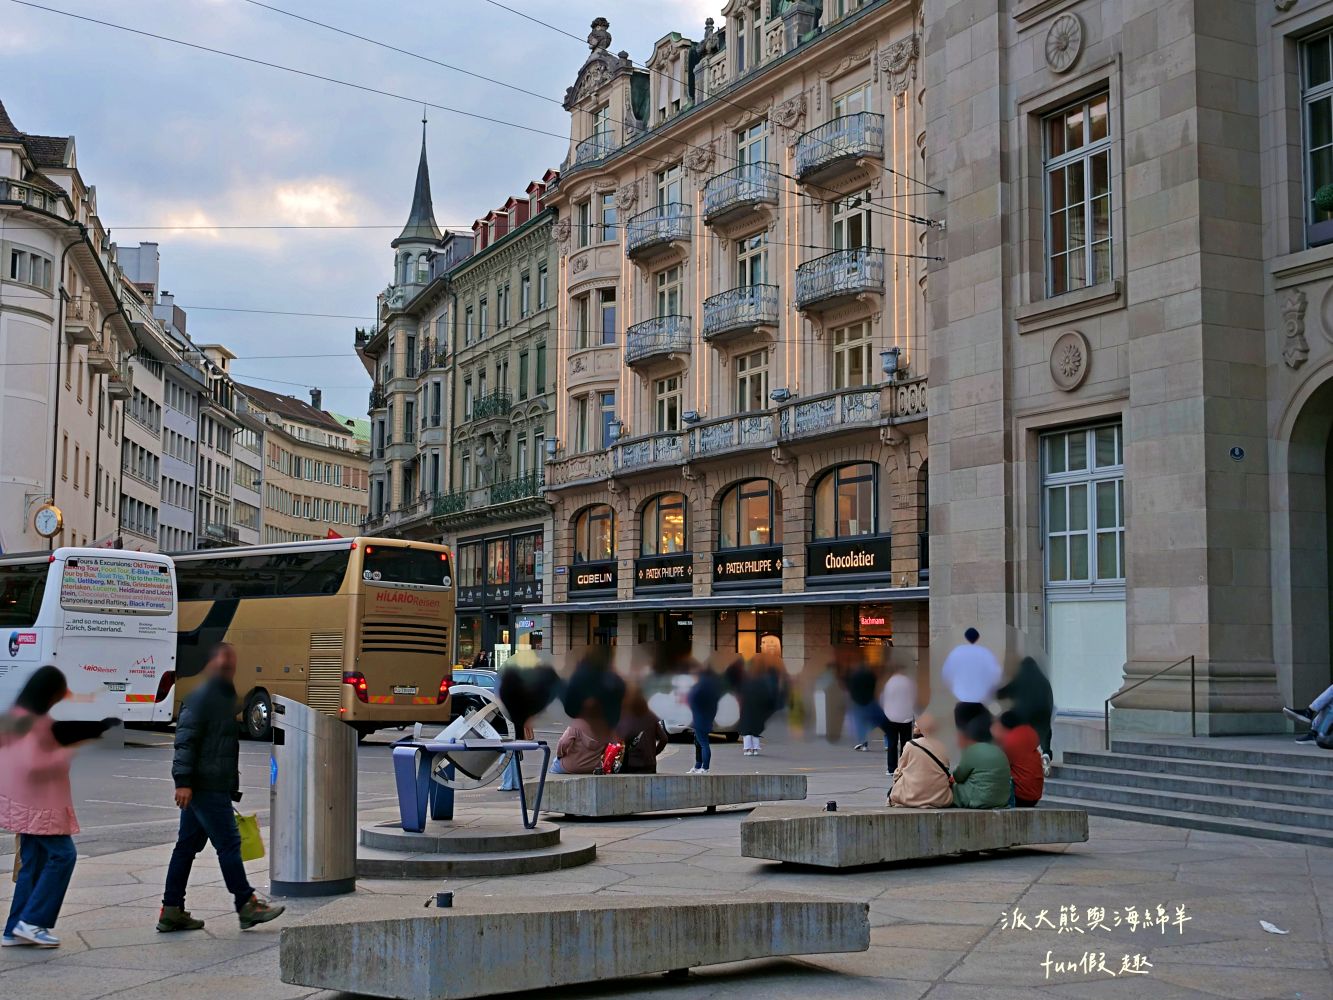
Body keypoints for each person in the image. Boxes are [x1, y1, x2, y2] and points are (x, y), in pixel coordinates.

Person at [159, 644, 284, 933]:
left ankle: (172, 910)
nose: (229, 669)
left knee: (186, 846)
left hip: (209, 784)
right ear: (212, 665)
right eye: (224, 664)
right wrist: (183, 782)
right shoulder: (202, 698)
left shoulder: (220, 697)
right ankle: (246, 904)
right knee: (228, 844)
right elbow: (186, 741)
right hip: (205, 786)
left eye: (232, 664)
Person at [1, 666, 119, 948]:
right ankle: (32, 922)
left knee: (33, 865)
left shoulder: (22, 717)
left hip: (27, 804)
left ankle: (14, 929)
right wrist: (71, 751)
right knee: (64, 856)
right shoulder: (29, 721)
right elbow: (34, 764)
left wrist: (91, 730)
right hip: (39, 806)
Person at [941, 627, 1003, 730]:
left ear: (965, 637)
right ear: (978, 638)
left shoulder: (957, 652)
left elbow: (946, 675)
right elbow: (996, 675)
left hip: (962, 701)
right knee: (979, 733)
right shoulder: (985, 652)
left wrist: (954, 691)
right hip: (980, 702)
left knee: (963, 732)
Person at [949, 708, 1012, 809]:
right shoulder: (1000, 751)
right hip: (1001, 800)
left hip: (980, 799)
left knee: (954, 788)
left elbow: (958, 777)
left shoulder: (972, 750)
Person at [888, 713, 953, 808]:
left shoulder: (910, 745)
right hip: (940, 798)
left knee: (895, 786)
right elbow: (946, 767)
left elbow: (899, 771)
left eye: (916, 725)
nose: (914, 727)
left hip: (912, 796)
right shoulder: (943, 746)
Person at [997, 655, 1055, 758]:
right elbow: (1050, 700)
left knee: (1007, 720)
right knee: (1045, 730)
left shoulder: (1021, 678)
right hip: (1043, 714)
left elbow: (1004, 693)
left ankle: (1012, 750)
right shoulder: (1044, 681)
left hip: (1024, 715)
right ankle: (1046, 752)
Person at [994, 710, 1044, 807]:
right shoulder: (1028, 738)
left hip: (1020, 797)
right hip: (1034, 797)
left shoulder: (1010, 743)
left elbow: (994, 768)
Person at [687, 655, 725, 774]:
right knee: (698, 743)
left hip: (700, 719)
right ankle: (698, 766)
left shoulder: (702, 686)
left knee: (703, 743)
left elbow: (693, 699)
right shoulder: (710, 686)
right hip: (702, 718)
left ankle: (705, 768)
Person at [616, 687, 668, 774]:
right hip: (649, 764)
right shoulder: (651, 717)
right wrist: (653, 754)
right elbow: (664, 739)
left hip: (631, 764)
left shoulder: (625, 716)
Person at [880, 658, 917, 775]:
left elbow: (882, 699)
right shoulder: (909, 682)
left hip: (890, 717)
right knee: (906, 744)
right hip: (906, 717)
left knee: (892, 744)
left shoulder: (888, 682)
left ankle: (891, 768)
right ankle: (904, 767)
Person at [738, 656, 778, 756]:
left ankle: (747, 750)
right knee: (755, 731)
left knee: (747, 730)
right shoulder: (762, 681)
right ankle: (755, 749)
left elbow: (741, 693)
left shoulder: (745, 681)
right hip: (757, 709)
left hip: (747, 708)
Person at [553, 710, 609, 774]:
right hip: (593, 767)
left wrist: (560, 754)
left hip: (570, 767)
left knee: (554, 765)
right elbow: (605, 748)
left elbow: (563, 743)